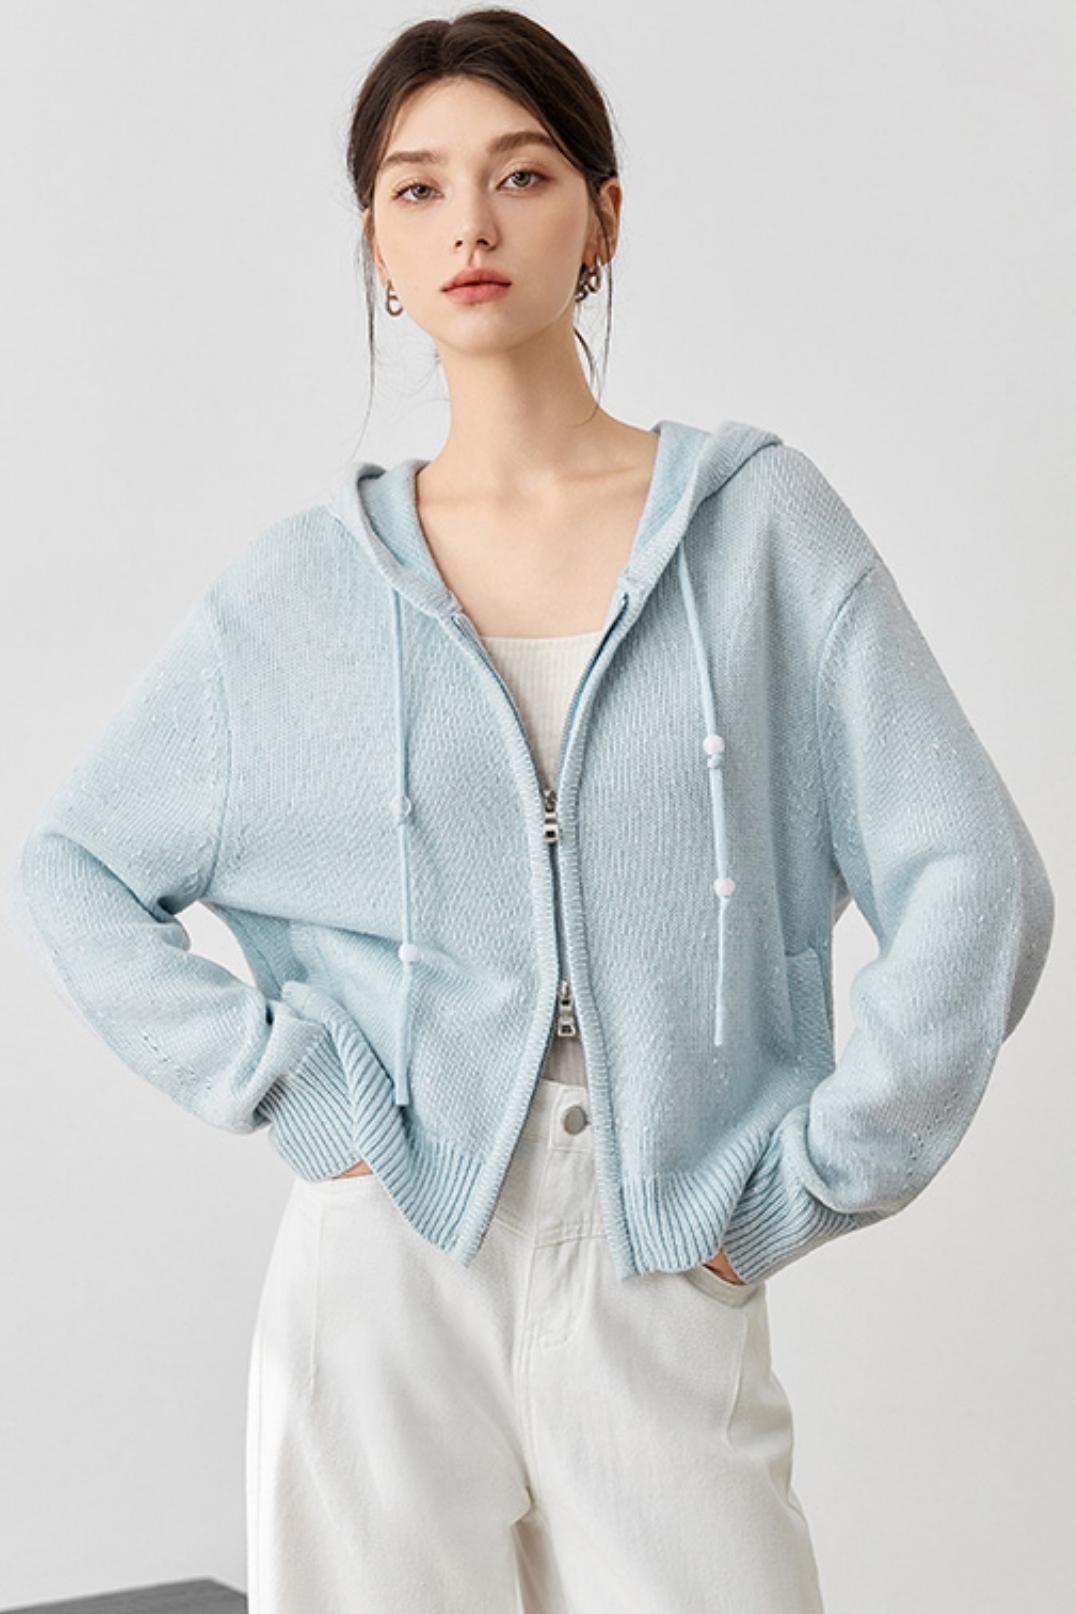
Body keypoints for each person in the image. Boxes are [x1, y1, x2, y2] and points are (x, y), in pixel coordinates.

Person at [6, 10, 1055, 1613]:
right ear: (377, 245)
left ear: (603, 217)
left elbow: (976, 881)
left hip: (665, 1241)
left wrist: (812, 1177)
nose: (471, 228)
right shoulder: (301, 593)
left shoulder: (759, 530)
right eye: (417, 190)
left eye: (522, 175)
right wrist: (290, 1085)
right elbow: (74, 865)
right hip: (386, 1255)